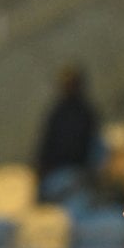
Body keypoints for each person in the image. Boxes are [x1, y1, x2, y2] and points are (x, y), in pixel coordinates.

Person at [35, 62, 99, 202]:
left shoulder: (85, 113)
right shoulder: (58, 114)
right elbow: (46, 146)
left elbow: (88, 150)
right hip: (58, 176)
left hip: (75, 175)